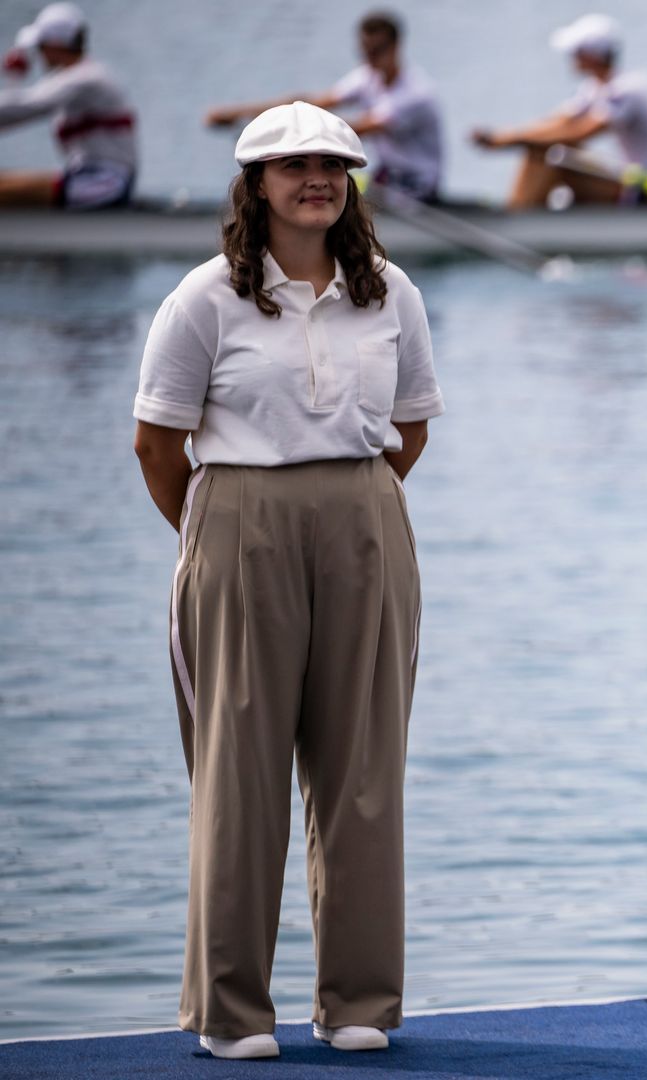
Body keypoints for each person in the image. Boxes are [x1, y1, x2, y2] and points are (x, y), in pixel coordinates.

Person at [132, 101, 443, 1060]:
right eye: (293, 164)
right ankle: (231, 1013)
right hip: (236, 522)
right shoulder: (202, 300)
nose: (315, 177)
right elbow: (156, 443)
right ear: (255, 184)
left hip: (364, 519)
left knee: (364, 774)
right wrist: (225, 532)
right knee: (240, 774)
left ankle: (357, 1003)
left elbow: (414, 427)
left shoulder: (391, 293)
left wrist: (345, 511)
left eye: (333, 164)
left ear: (350, 183)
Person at [204, 10, 445, 201]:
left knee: (330, 185)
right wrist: (238, 114)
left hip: (416, 186)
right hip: (387, 177)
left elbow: (357, 130)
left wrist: (283, 132)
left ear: (396, 46)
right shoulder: (368, 76)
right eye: (365, 50)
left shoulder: (415, 95)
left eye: (376, 51)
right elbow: (310, 104)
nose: (369, 58)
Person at [471, 13, 647, 210]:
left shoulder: (629, 89)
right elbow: (557, 122)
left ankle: (517, 219)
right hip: (628, 181)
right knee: (543, 147)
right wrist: (504, 136)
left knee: (549, 150)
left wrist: (512, 140)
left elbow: (579, 132)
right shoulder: (592, 89)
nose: (571, 58)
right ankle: (519, 211)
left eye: (576, 52)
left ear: (592, 54)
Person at [0, 2, 136, 208]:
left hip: (104, 184)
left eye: (40, 46)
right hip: (85, 178)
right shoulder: (70, 79)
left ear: (55, 44)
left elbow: (28, 106)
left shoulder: (86, 79)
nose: (38, 53)